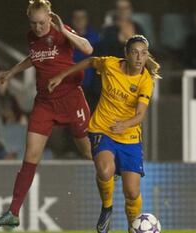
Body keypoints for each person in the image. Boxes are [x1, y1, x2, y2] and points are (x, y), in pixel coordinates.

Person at [0, 0, 93, 228]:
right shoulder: (31, 36)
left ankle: (115, 169)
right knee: (31, 155)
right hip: (45, 103)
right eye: (33, 23)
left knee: (88, 152)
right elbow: (35, 58)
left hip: (71, 100)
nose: (37, 27)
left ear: (49, 16)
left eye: (41, 22)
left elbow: (87, 49)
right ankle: (13, 212)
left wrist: (63, 30)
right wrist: (11, 71)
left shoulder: (61, 31)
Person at [48, 35, 160, 232]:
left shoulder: (145, 81)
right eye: (134, 52)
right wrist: (62, 75)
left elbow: (140, 115)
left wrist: (125, 124)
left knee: (132, 193)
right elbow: (90, 62)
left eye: (143, 53)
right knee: (105, 170)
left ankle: (132, 228)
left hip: (129, 136)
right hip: (103, 128)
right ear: (126, 54)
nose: (139, 57)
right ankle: (107, 207)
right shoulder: (110, 65)